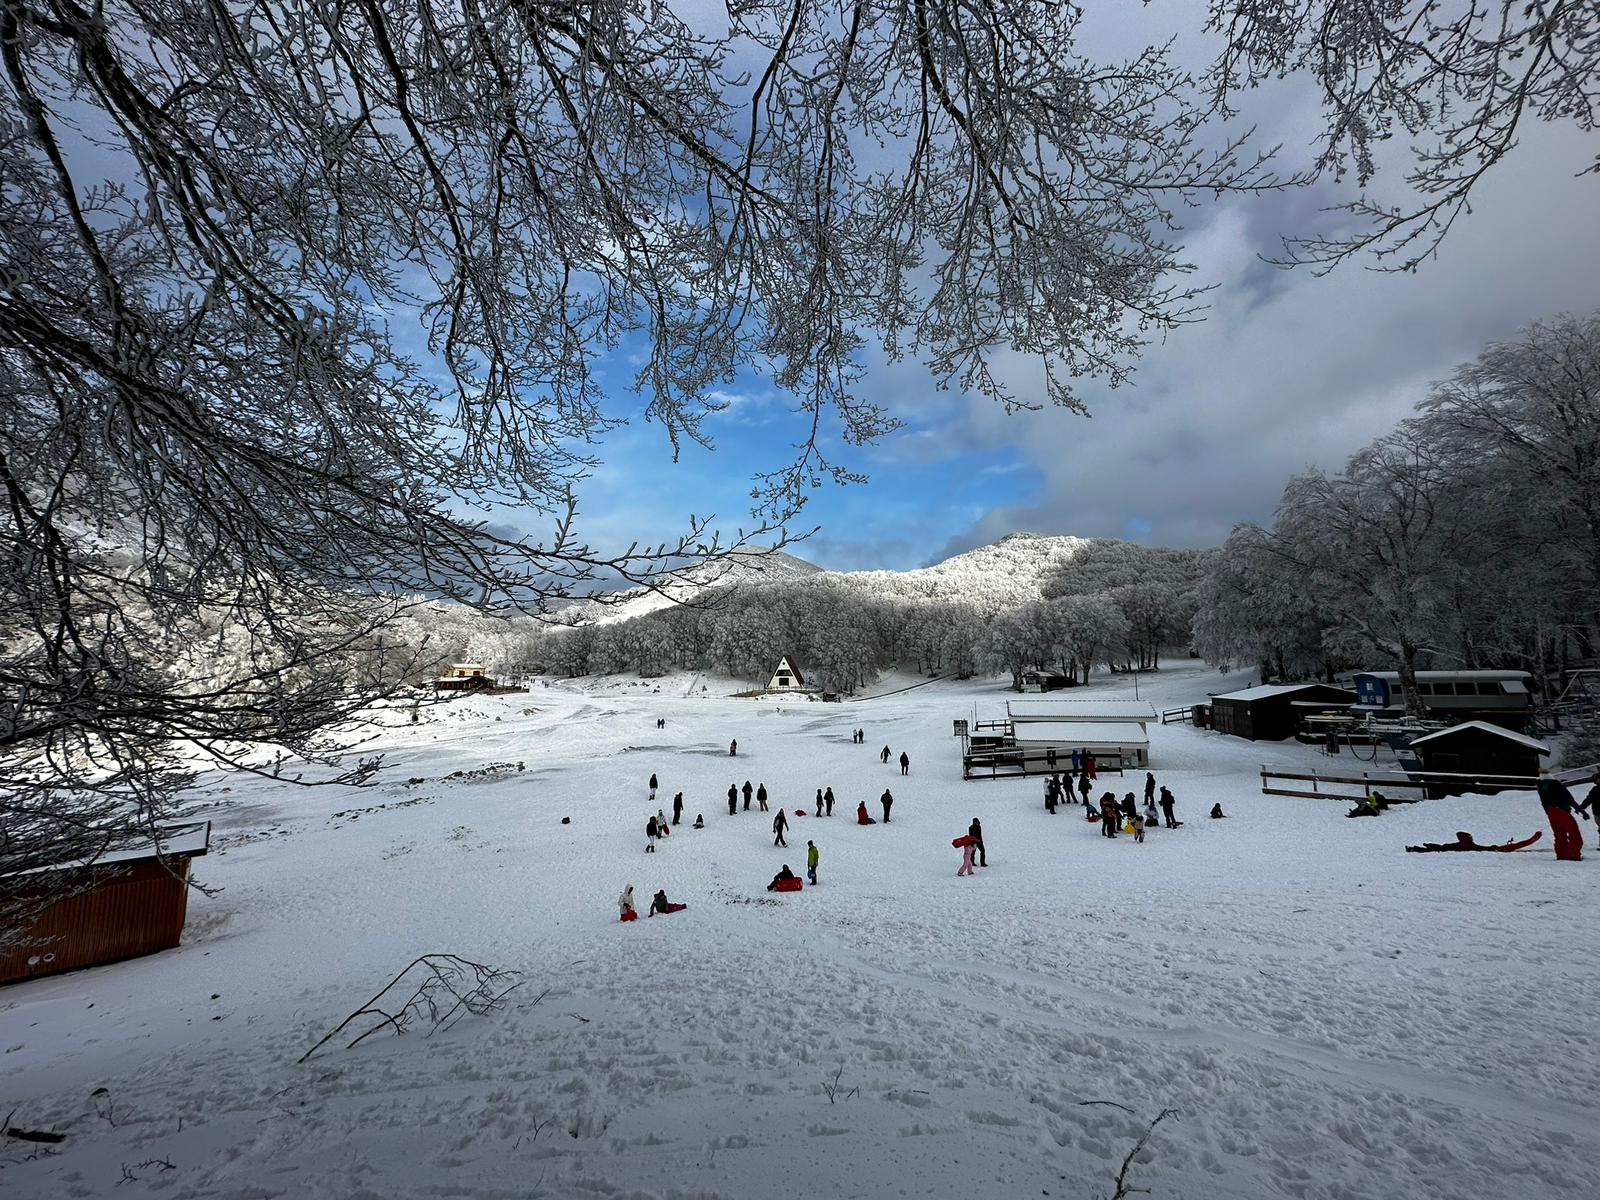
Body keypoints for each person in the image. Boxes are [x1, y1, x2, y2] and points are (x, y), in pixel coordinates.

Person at [1537, 768, 1584, 861]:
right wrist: (1581, 811)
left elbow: (1543, 802)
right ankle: (1572, 854)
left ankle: (1561, 854)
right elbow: (1569, 799)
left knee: (1559, 835)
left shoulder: (1541, 787)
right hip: (1562, 810)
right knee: (1574, 833)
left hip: (1551, 812)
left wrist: (1548, 811)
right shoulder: (1557, 785)